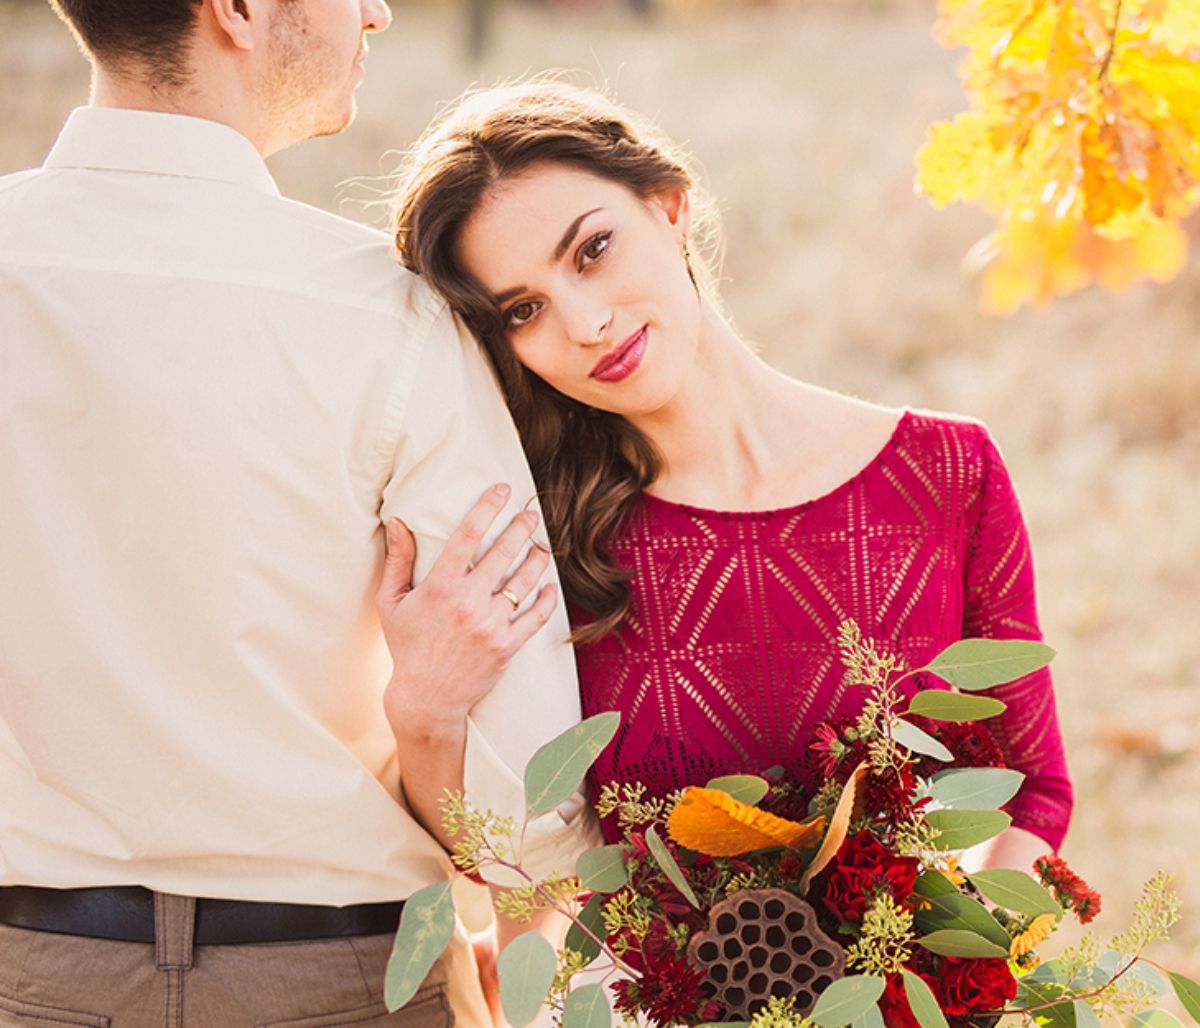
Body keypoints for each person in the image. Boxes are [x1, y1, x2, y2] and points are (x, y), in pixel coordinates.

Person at [0, 6, 599, 1026]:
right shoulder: (390, 318)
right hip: (346, 984)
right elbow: (529, 800)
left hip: (33, 977)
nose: (375, 10)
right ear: (237, 9)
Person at [391, 81, 1074, 868]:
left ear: (669, 205)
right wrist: (422, 714)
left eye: (592, 251)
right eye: (523, 311)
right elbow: (507, 866)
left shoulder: (947, 471)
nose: (586, 324)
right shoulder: (545, 545)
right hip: (634, 957)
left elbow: (1034, 789)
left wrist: (962, 939)